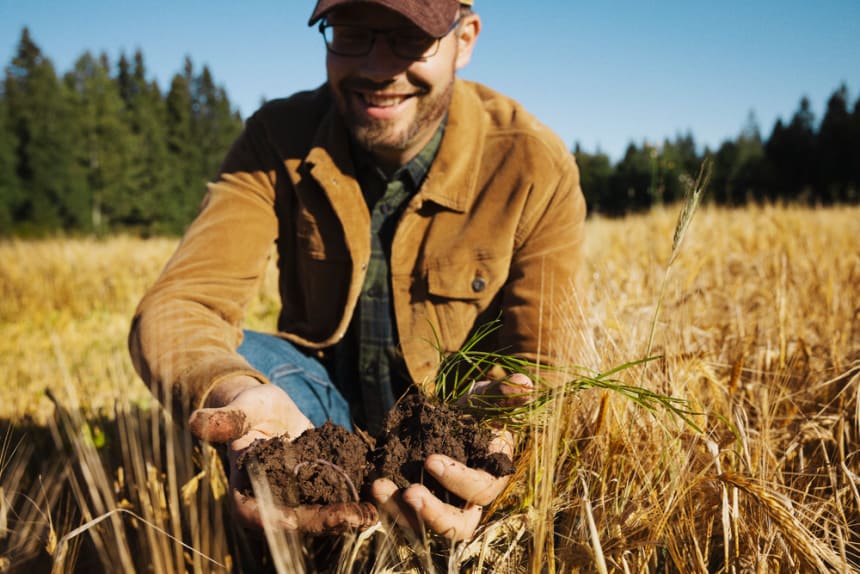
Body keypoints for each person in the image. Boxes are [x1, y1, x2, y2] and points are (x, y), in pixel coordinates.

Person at [129, 0, 586, 542]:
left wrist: (493, 437)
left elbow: (546, 362)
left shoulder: (532, 165)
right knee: (238, 361)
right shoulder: (278, 140)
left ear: (465, 39)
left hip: (443, 434)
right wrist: (229, 391)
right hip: (317, 415)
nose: (377, 66)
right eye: (351, 32)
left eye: (410, 37)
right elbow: (180, 307)